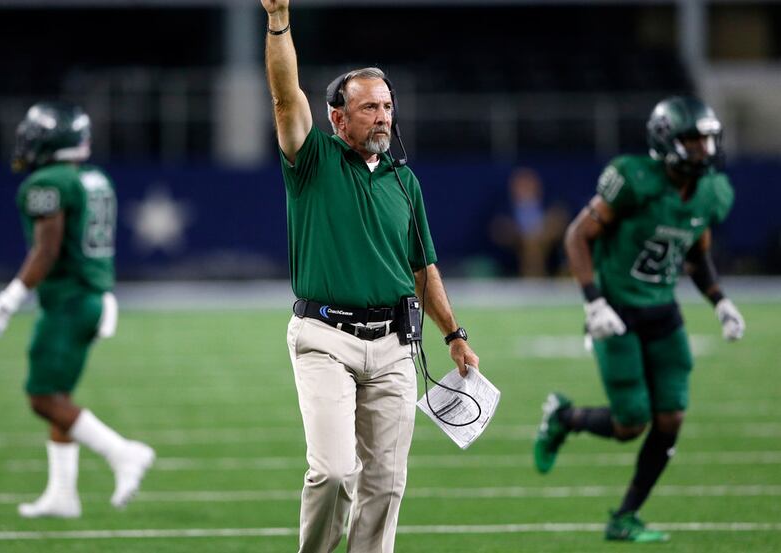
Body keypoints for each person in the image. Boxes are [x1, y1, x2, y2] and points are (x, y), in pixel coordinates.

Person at [260, 1, 480, 551]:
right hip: (324, 339)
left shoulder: (406, 183)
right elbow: (286, 96)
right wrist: (279, 19)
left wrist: (453, 334)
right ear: (338, 118)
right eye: (369, 108)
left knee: (385, 487)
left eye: (387, 106)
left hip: (394, 347)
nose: (382, 116)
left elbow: (422, 267)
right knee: (333, 473)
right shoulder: (312, 162)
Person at [533, 96, 746, 543]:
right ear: (667, 141)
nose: (704, 150)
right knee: (632, 423)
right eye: (693, 140)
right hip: (616, 308)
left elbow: (697, 253)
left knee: (671, 418)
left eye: (707, 139)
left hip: (662, 310)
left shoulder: (710, 192)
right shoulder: (634, 179)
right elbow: (576, 236)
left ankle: (625, 516)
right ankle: (564, 417)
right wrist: (593, 303)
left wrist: (720, 301)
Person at [0, 101, 155, 518]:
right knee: (60, 395)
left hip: (70, 302)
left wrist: (8, 299)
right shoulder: (94, 177)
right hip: (91, 295)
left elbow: (47, 250)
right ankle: (63, 494)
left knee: (42, 398)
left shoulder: (50, 182)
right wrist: (104, 292)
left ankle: (122, 453)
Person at [488, 167, 568, 277]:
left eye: (529, 184)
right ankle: (533, 275)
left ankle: (535, 275)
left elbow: (559, 219)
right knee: (530, 242)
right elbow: (498, 229)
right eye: (521, 185)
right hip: (519, 242)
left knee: (537, 239)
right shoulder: (503, 209)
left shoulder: (551, 204)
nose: (526, 188)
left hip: (545, 240)